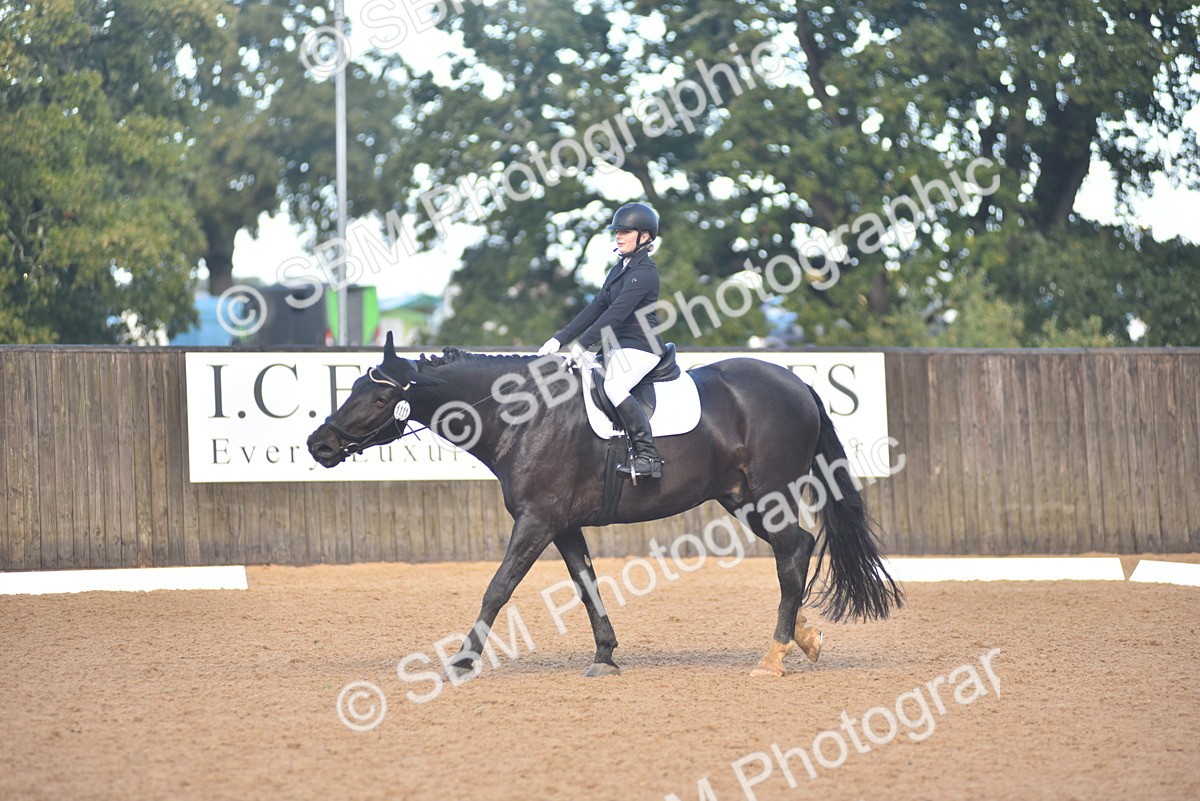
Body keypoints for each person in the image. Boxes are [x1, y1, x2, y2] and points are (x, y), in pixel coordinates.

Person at [538, 202, 666, 480]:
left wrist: (582, 344)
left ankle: (648, 456)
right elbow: (596, 307)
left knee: (614, 386)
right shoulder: (620, 269)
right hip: (616, 349)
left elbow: (616, 314)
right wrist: (559, 339)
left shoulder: (644, 273)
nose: (618, 236)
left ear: (644, 236)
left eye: (625, 232)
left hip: (641, 348)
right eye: (617, 231)